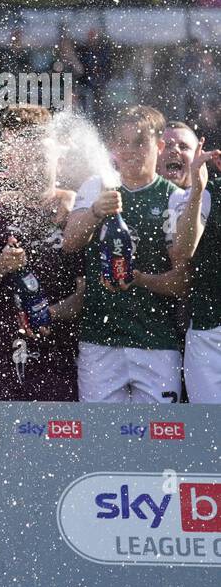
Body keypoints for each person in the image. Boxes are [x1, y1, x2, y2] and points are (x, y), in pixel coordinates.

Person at [62, 105, 190, 403]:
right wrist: (95, 211)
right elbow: (70, 242)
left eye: (139, 142)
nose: (129, 151)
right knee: (100, 439)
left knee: (160, 440)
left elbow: (183, 281)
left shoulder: (174, 197)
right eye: (121, 142)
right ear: (111, 146)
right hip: (99, 341)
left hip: (156, 342)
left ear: (159, 146)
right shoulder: (97, 186)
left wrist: (140, 279)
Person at [0, 105, 84, 400]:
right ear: (11, 161)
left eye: (41, 158)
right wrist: (3, 263)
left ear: (59, 158)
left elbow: (88, 292)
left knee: (61, 442)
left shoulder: (78, 214)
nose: (33, 166)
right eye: (24, 158)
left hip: (62, 353)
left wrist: (49, 314)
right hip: (2, 351)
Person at [170, 138, 221, 402]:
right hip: (210, 333)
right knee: (211, 434)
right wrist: (198, 190)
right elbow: (182, 253)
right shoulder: (206, 193)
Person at [158, 120, 200, 189]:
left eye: (183, 147)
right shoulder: (136, 197)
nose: (174, 150)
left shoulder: (210, 197)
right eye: (166, 146)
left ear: (198, 156)